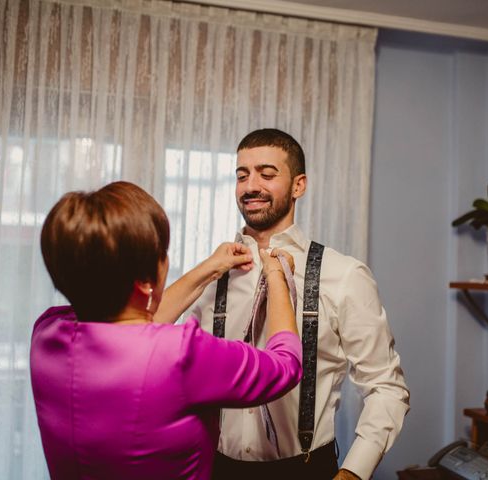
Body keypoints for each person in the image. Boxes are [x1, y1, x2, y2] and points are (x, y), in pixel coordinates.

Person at [161, 129, 410, 479]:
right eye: (242, 175)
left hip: (305, 470)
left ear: (298, 186)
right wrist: (205, 270)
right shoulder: (213, 274)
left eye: (267, 173)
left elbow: (387, 387)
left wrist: (354, 472)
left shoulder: (344, 275)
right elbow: (147, 334)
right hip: (216, 468)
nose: (250, 186)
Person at [30, 181, 303, 480]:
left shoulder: (46, 333)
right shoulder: (180, 353)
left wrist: (211, 268)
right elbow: (285, 365)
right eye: (162, 253)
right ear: (145, 280)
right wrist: (277, 274)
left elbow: (130, 326)